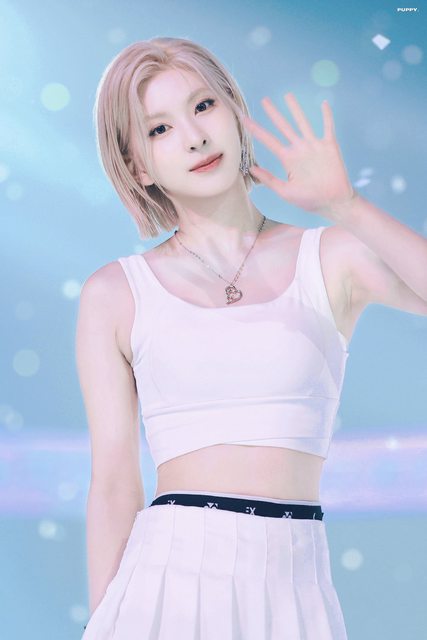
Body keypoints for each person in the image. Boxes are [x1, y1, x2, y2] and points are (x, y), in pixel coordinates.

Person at [76, 36, 427, 639]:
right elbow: (112, 482)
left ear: (236, 112)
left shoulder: (331, 256)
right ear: (137, 167)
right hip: (165, 583)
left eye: (203, 106)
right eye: (159, 129)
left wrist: (346, 205)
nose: (194, 137)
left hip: (294, 581)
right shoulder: (115, 293)